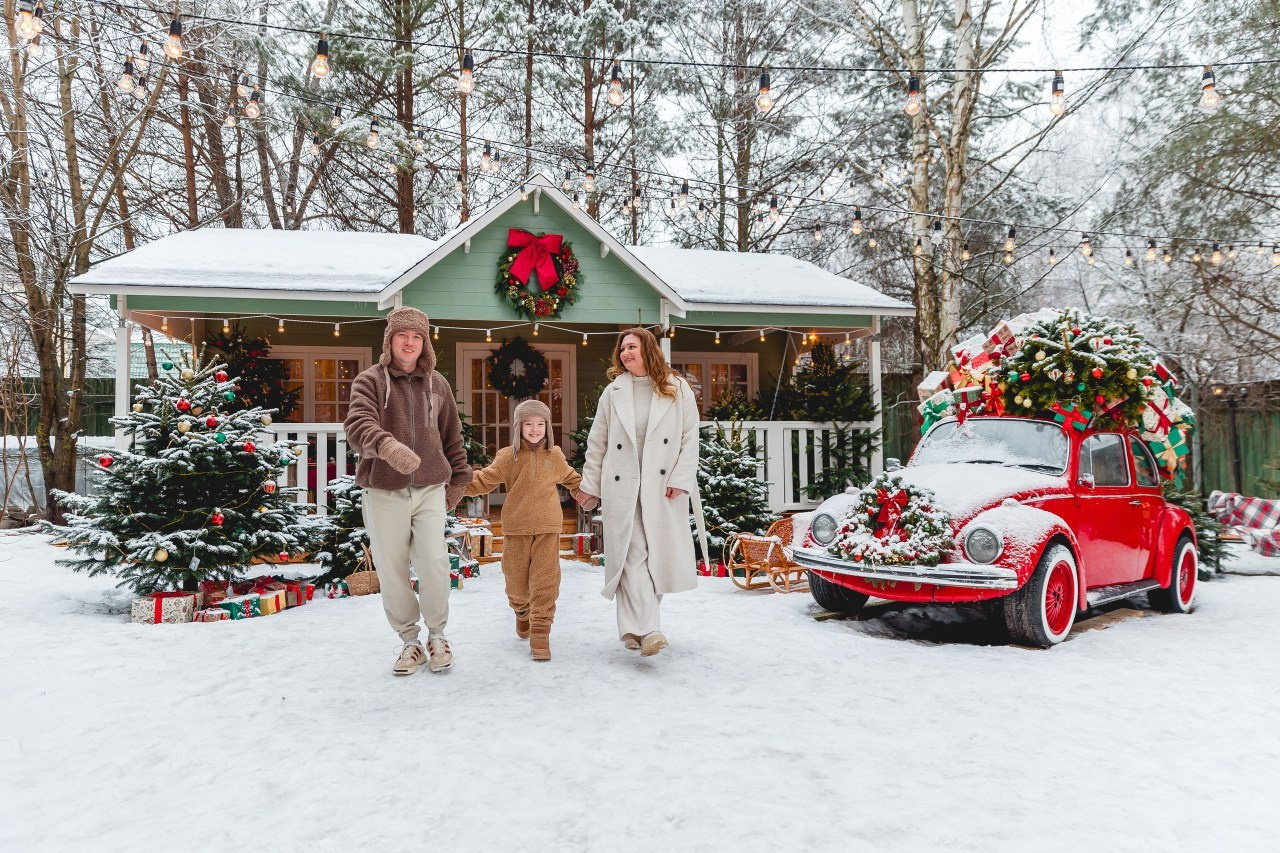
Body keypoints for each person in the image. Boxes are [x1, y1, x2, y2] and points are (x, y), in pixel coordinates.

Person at [343, 307, 472, 677]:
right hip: (384, 488)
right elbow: (357, 424)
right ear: (390, 340)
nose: (409, 343)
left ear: (424, 342)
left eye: (416, 337)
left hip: (430, 486)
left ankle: (437, 635)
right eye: (403, 336)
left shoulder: (438, 384)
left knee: (434, 561)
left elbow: (452, 436)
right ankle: (409, 642)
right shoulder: (371, 381)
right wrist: (387, 447)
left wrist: (459, 479)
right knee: (393, 568)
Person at [579, 327, 709, 656]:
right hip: (622, 487)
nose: (625, 353)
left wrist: (681, 477)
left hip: (663, 488)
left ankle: (631, 629)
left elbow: (690, 436)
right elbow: (598, 443)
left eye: (632, 347)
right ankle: (650, 628)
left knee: (656, 559)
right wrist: (589, 485)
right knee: (632, 554)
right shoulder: (614, 392)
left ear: (647, 349)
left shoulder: (675, 388)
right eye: (622, 348)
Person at [463, 399, 584, 662]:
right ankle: (521, 611)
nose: (534, 429)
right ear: (519, 426)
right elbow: (485, 479)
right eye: (528, 424)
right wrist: (458, 486)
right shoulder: (508, 456)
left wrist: (586, 492)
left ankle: (541, 631)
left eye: (540, 424)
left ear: (547, 427)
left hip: (548, 526)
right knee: (516, 583)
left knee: (545, 580)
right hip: (516, 527)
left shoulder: (555, 456)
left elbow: (572, 479)